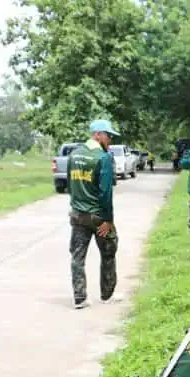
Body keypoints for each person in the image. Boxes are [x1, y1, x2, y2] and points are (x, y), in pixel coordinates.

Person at [67, 119, 120, 309]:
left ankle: (79, 297)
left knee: (77, 256)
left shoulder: (74, 154)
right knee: (109, 251)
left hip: (78, 215)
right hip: (98, 217)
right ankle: (107, 295)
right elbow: (106, 192)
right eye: (108, 135)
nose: (110, 140)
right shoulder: (103, 157)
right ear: (97, 134)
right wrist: (108, 220)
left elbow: (70, 186)